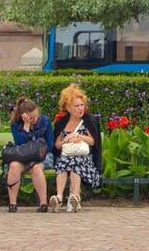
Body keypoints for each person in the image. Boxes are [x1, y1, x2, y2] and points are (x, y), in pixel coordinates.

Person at [51, 84, 102, 213]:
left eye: (82, 105)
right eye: (77, 106)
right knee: (63, 162)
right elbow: (56, 145)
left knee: (75, 162)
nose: (81, 108)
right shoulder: (61, 123)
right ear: (68, 107)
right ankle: (59, 197)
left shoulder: (89, 120)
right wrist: (66, 140)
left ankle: (75, 196)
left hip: (85, 158)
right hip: (66, 156)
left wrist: (80, 137)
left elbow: (93, 142)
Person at [6, 97, 53, 213]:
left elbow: (50, 145)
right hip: (24, 156)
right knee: (14, 166)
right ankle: (12, 204)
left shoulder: (45, 121)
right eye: (32, 118)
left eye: (36, 115)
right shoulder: (15, 124)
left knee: (36, 168)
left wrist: (36, 157)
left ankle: (43, 204)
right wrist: (26, 126)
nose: (35, 119)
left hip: (42, 155)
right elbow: (20, 144)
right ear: (23, 116)